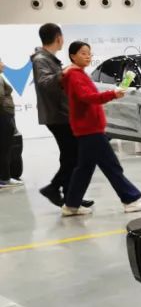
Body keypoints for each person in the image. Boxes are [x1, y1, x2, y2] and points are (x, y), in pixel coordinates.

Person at [60, 41, 141, 217]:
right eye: (83, 53)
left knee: (85, 168)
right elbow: (87, 97)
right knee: (111, 165)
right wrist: (112, 94)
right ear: (73, 56)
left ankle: (71, 205)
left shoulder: (77, 74)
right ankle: (130, 199)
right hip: (89, 128)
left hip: (88, 127)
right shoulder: (74, 75)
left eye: (89, 53)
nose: (88, 56)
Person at [32, 23, 91, 208]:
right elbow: (45, 83)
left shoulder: (48, 59)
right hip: (57, 116)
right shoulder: (41, 59)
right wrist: (65, 72)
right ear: (58, 38)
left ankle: (70, 196)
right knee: (73, 156)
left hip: (62, 114)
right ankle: (54, 188)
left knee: (70, 156)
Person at [0, 59, 22, 190]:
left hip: (4, 115)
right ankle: (5, 179)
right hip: (4, 116)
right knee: (5, 149)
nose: (3, 64)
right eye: (1, 62)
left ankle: (4, 178)